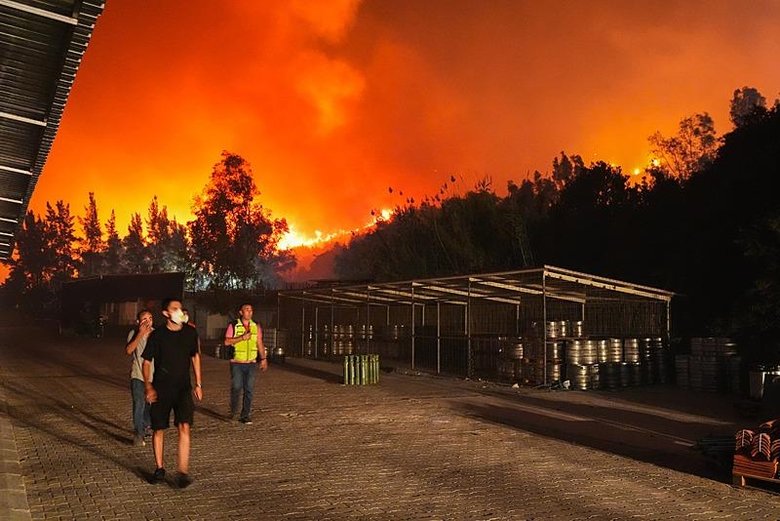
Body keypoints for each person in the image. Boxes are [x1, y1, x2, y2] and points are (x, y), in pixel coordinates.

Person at [142, 298, 203, 488]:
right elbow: (146, 362)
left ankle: (182, 472)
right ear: (166, 313)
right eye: (174, 309)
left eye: (181, 308)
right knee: (159, 428)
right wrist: (148, 386)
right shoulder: (157, 335)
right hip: (161, 387)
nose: (179, 312)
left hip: (183, 387)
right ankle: (159, 469)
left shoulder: (190, 332)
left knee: (184, 426)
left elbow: (195, 357)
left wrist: (199, 383)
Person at [223, 303, 267, 424]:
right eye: (247, 310)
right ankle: (233, 410)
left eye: (251, 310)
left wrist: (263, 358)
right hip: (237, 362)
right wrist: (242, 338)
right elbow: (227, 342)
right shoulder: (233, 325)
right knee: (237, 387)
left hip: (251, 363)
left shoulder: (256, 326)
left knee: (249, 389)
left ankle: (245, 415)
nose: (249, 312)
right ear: (241, 312)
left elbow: (259, 343)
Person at [126, 309, 154, 446]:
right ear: (138, 322)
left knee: (151, 405)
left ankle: (147, 425)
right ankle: (138, 434)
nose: (147, 322)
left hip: (153, 377)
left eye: (150, 318)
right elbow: (129, 350)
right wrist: (140, 334)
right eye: (144, 319)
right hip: (137, 375)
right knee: (139, 404)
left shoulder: (157, 334)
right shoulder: (133, 333)